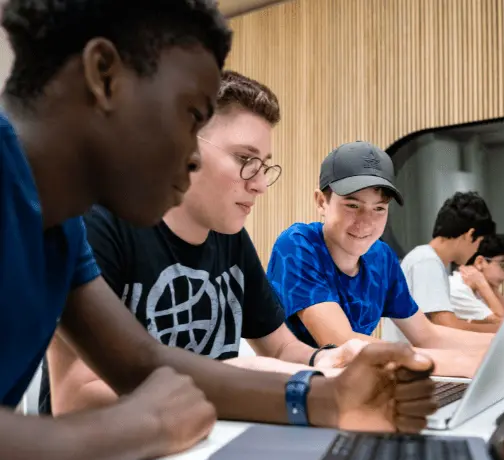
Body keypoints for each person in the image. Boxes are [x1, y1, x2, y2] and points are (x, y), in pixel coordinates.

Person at [0, 2, 436, 460]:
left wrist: (329, 398)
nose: (191, 156)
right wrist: (144, 425)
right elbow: (129, 395)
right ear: (104, 76)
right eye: (189, 116)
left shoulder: (61, 223)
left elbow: (143, 363)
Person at [43, 70, 367, 416]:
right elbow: (76, 396)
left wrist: (325, 359)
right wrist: (229, 378)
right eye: (245, 160)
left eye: (264, 166)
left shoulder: (230, 237)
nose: (260, 184)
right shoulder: (99, 224)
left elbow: (280, 347)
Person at [267, 141, 504, 379]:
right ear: (321, 202)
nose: (366, 222)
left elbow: (427, 334)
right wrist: (462, 362)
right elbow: (341, 344)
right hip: (295, 388)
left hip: (357, 384)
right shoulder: (298, 244)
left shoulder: (381, 257)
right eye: (352, 205)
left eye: (379, 209)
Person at [382, 191, 500, 342]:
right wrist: (497, 330)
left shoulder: (429, 259)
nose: (477, 250)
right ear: (470, 234)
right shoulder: (426, 261)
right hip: (409, 359)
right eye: (479, 242)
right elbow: (446, 325)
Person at [450, 233, 504, 325]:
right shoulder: (457, 289)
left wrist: (490, 288)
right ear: (480, 262)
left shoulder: (480, 288)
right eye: (503, 265)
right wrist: (482, 284)